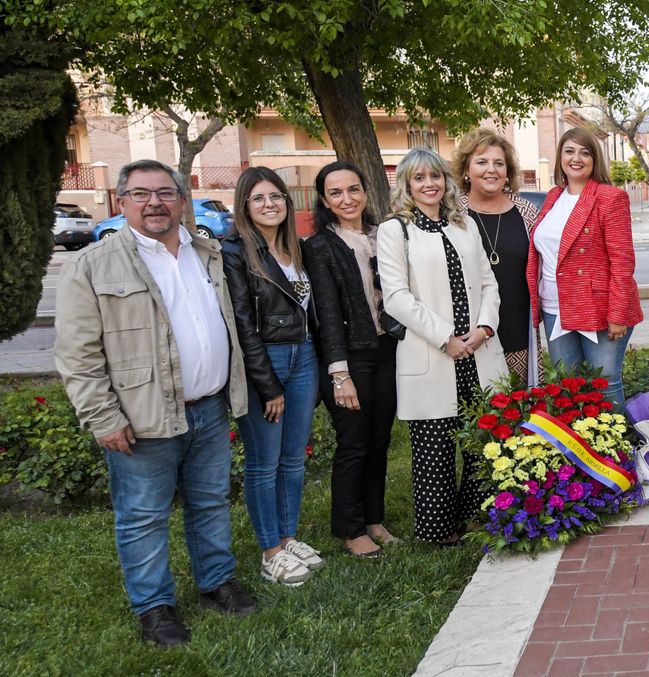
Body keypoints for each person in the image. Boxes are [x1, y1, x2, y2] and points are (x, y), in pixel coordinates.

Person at [55, 160, 256, 646]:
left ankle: (217, 581)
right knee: (143, 515)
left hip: (209, 407)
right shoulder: (93, 265)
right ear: (121, 202)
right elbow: (77, 353)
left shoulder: (206, 253)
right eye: (141, 194)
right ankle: (155, 607)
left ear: (182, 200)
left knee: (210, 502)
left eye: (165, 193)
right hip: (141, 416)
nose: (154, 203)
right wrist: (103, 417)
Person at [377, 147, 505, 545]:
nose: (429, 184)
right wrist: (445, 339)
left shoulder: (463, 223)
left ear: (446, 180)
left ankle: (474, 517)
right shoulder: (395, 230)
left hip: (478, 350)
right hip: (434, 352)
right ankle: (438, 532)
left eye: (435, 176)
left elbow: (488, 283)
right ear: (406, 184)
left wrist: (484, 328)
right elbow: (396, 297)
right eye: (419, 178)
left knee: (484, 441)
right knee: (434, 446)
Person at [223, 167, 323, 585]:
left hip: (305, 357)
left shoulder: (293, 248)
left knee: (293, 458)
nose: (270, 205)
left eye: (276, 196)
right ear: (244, 206)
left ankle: (287, 537)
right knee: (264, 463)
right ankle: (270, 551)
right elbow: (243, 324)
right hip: (266, 361)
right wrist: (267, 385)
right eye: (259, 198)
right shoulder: (235, 251)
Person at [304, 161, 397, 559]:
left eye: (353, 189)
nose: (347, 199)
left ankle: (374, 519)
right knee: (354, 443)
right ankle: (350, 528)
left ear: (365, 191)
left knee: (380, 440)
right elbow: (326, 313)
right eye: (336, 193)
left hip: (388, 351)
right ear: (324, 201)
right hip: (348, 358)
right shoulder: (319, 247)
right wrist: (339, 374)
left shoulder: (382, 235)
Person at [525, 126, 642, 413]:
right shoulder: (553, 197)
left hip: (598, 308)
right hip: (554, 307)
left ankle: (615, 442)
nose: (576, 159)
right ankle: (577, 441)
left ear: (594, 159)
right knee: (569, 386)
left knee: (606, 383)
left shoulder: (610, 198)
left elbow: (622, 262)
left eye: (584, 152)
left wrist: (617, 314)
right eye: (569, 151)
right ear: (560, 157)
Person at [453, 129, 542, 382]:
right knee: (474, 403)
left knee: (518, 401)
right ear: (466, 170)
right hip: (467, 333)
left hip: (517, 328)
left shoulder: (527, 212)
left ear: (507, 172)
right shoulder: (451, 214)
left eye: (499, 163)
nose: (491, 170)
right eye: (482, 162)